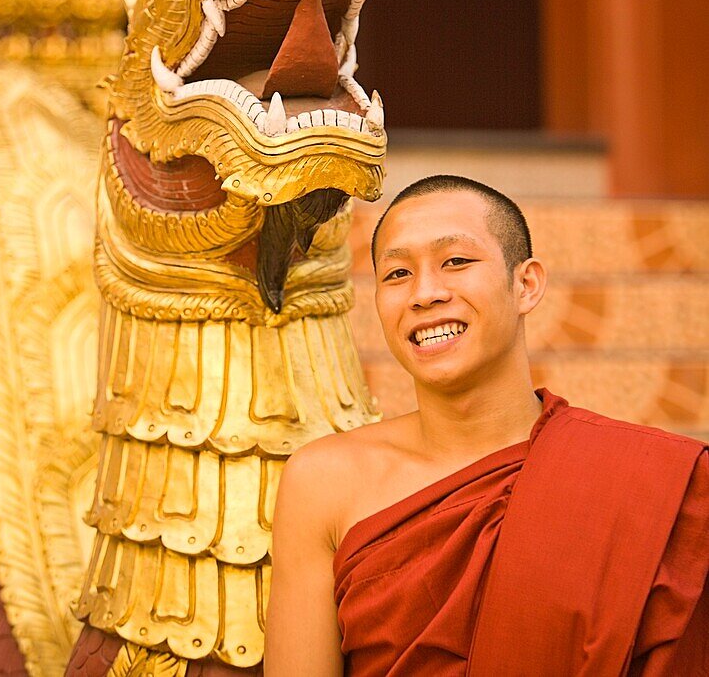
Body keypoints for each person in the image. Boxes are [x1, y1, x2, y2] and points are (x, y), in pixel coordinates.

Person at [264, 175, 709, 676]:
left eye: (455, 262)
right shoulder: (325, 481)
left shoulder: (652, 482)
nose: (425, 293)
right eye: (396, 274)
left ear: (526, 285)